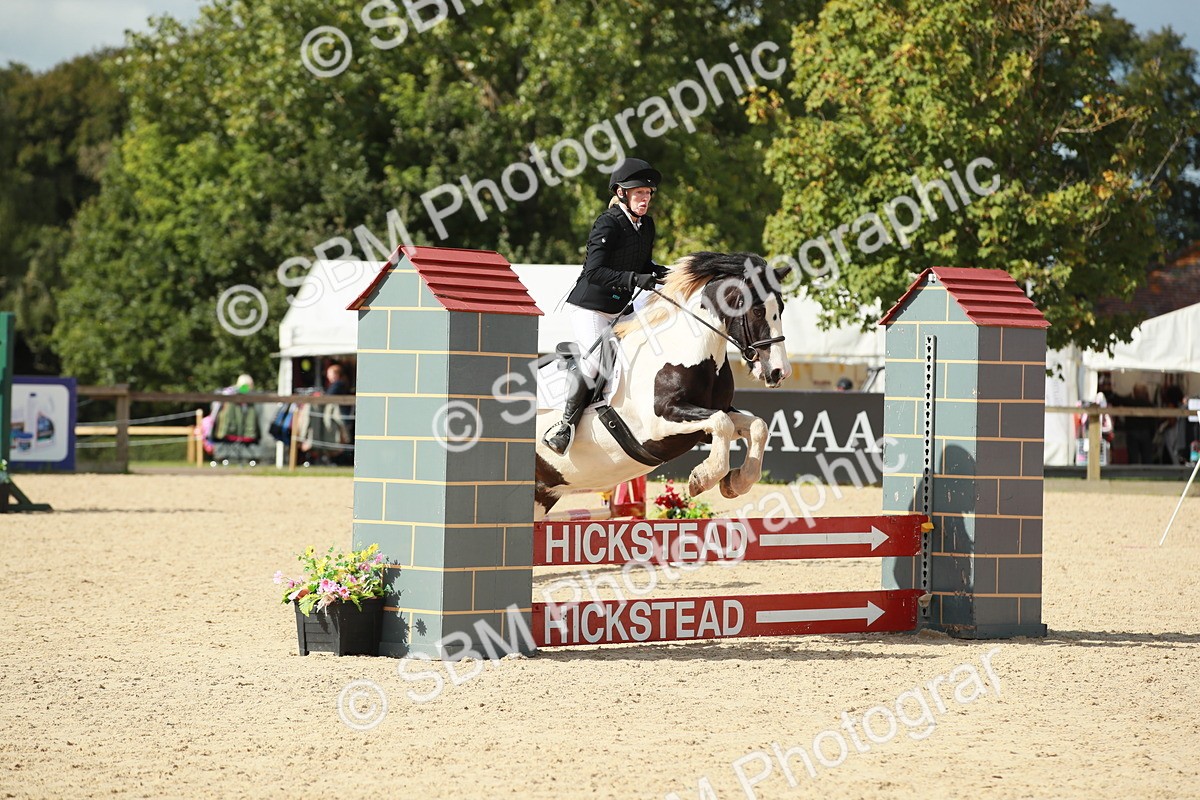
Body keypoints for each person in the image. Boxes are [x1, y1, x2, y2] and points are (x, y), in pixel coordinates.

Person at [542, 157, 666, 455]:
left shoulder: (646, 225)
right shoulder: (607, 223)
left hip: (622, 309)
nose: (645, 199)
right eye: (639, 193)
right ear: (622, 193)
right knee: (596, 362)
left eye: (648, 193)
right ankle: (565, 426)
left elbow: (642, 264)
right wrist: (635, 278)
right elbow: (594, 272)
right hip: (592, 307)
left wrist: (664, 273)